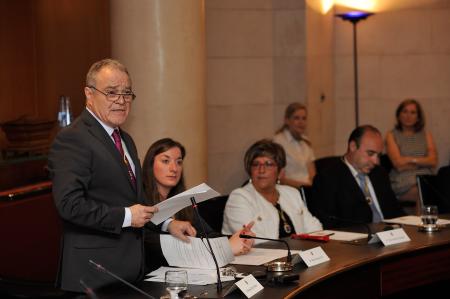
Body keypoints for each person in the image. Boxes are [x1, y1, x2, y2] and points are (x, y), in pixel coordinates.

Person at [48, 59, 195, 293]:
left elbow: (134, 201)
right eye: (111, 92)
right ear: (89, 94)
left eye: (127, 93)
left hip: (129, 271)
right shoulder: (73, 138)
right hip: (94, 275)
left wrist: (168, 224)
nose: (121, 100)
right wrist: (126, 217)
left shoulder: (125, 139)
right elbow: (69, 205)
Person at [142, 138, 255, 270]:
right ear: (150, 165)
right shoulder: (141, 202)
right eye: (166, 161)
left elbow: (209, 235)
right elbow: (154, 247)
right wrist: (227, 247)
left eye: (179, 162)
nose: (174, 168)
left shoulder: (183, 201)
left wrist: (239, 238)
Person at [222, 139, 322, 242]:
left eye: (268, 164)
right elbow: (254, 241)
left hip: (297, 254)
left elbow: (315, 229)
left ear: (280, 172)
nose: (261, 170)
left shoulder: (292, 193)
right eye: (256, 164)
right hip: (260, 257)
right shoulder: (239, 198)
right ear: (250, 170)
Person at [309, 125, 405, 229]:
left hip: (391, 236)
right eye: (370, 153)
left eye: (378, 155)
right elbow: (328, 223)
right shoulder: (328, 178)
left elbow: (396, 211)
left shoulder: (379, 173)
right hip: (356, 240)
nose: (375, 161)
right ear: (353, 146)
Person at [386, 99, 438, 214]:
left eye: (413, 112)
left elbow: (433, 161)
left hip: (425, 178)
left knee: (431, 188)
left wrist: (409, 159)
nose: (408, 116)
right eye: (405, 111)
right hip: (402, 181)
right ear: (398, 115)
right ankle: (420, 228)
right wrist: (422, 162)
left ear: (418, 117)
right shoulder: (391, 135)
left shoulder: (426, 134)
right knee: (422, 192)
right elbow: (398, 164)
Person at [273, 102, 316, 188]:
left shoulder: (306, 141)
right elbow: (279, 178)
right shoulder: (278, 142)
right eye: (296, 118)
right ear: (287, 120)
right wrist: (305, 186)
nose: (301, 122)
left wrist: (314, 185)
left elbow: (312, 172)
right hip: (289, 189)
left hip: (308, 188)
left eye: (304, 118)